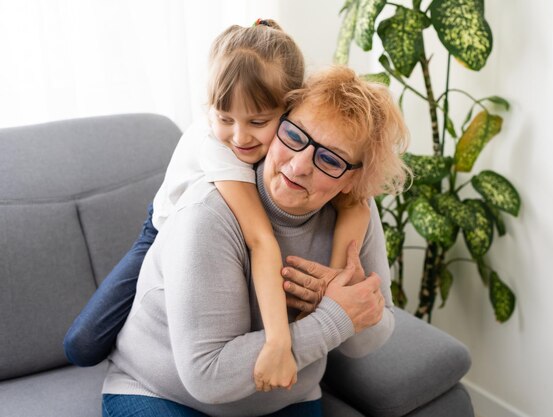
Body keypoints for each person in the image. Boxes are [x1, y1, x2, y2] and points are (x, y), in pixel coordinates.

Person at [63, 19, 371, 392]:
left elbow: (356, 205)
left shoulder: (294, 145)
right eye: (224, 118)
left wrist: (336, 277)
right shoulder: (220, 150)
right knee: (81, 344)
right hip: (162, 226)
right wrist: (277, 340)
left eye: (258, 121)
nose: (239, 137)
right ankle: (135, 355)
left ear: (289, 109)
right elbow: (260, 240)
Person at [101, 65, 410, 417]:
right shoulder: (210, 213)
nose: (298, 166)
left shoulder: (354, 215)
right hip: (161, 393)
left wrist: (353, 310)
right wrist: (335, 318)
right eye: (294, 136)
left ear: (352, 180)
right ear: (278, 124)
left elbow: (370, 334)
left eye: (329, 159)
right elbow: (207, 375)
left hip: (289, 398)